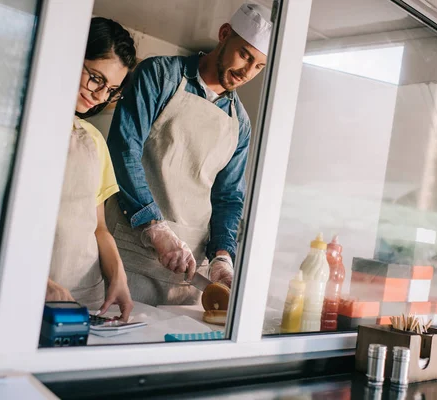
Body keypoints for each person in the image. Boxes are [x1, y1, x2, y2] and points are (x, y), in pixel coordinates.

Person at [105, 4, 272, 306]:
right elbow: (123, 150)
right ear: (224, 34)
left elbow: (228, 197)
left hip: (187, 272)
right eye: (245, 55)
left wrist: (222, 255)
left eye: (259, 66)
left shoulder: (241, 124)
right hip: (130, 254)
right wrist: (155, 228)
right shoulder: (160, 75)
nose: (247, 72)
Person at [46, 17, 137, 321]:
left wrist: (118, 278)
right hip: (25, 290)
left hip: (83, 299)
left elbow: (98, 227)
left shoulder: (93, 140)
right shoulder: (22, 127)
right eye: (96, 78)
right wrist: (37, 283)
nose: (100, 96)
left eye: (111, 89)